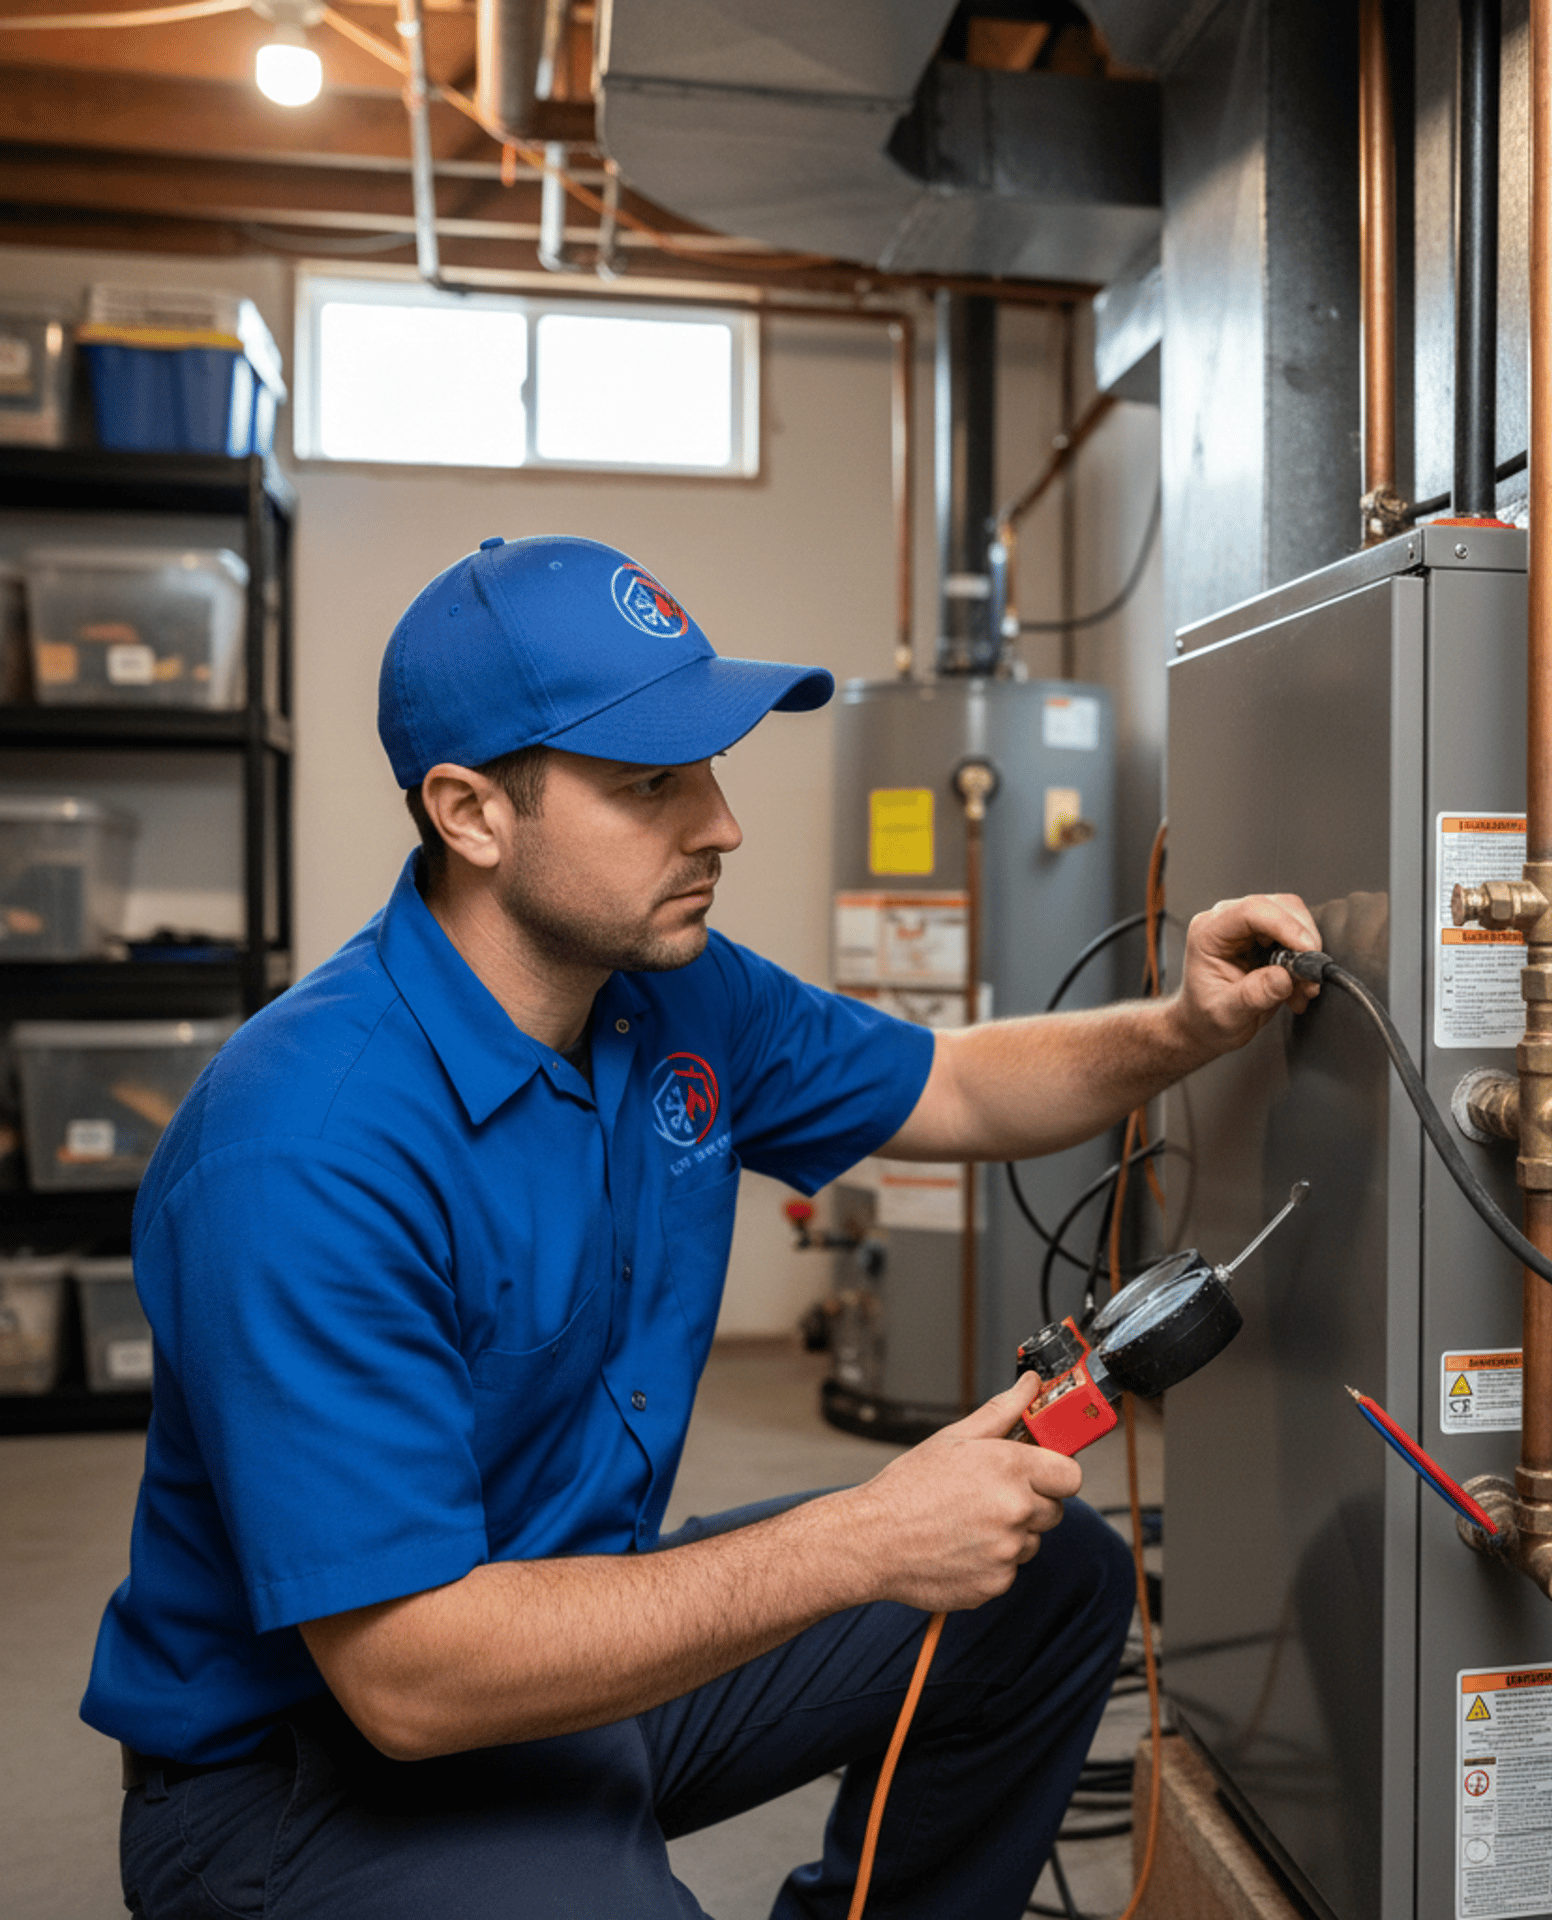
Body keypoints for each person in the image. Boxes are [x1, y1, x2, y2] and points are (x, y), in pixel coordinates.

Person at [81, 534, 1321, 1920]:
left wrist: (1184, 1025)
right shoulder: (303, 1148)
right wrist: (862, 1538)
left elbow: (956, 1083)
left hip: (575, 1642)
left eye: (711, 769)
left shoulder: (675, 996)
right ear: (470, 812)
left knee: (1047, 1584)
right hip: (309, 1778)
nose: (721, 823)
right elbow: (411, 1677)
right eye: (649, 784)